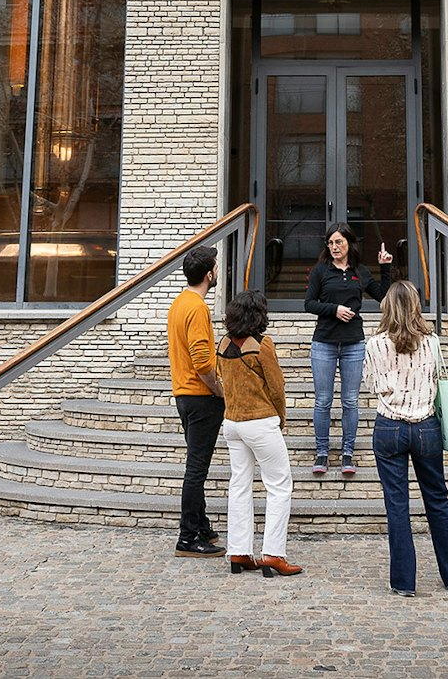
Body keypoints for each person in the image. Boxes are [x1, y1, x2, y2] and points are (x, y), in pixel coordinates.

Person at [363, 279, 448, 597]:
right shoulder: (432, 342)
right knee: (438, 500)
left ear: (387, 307)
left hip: (389, 427)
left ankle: (403, 582)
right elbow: (438, 382)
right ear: (414, 305)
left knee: (397, 505)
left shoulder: (374, 344)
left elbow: (372, 385)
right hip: (425, 426)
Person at [215, 290, 303, 577]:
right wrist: (280, 418)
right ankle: (273, 554)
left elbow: (222, 381)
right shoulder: (262, 345)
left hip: (232, 422)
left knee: (239, 484)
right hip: (260, 420)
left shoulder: (223, 343)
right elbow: (277, 388)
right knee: (279, 485)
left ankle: (239, 551)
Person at [304, 223, 393, 476]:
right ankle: (322, 453)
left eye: (339, 243)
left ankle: (347, 453)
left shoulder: (359, 271)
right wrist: (334, 309)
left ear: (349, 244)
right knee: (323, 401)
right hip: (324, 343)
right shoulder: (321, 271)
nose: (334, 247)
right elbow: (308, 304)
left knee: (350, 401)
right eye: (331, 243)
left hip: (354, 342)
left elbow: (384, 297)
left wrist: (385, 267)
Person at [167, 245, 226, 557]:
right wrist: (219, 390)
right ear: (208, 274)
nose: (217, 271)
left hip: (184, 394)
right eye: (215, 267)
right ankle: (188, 537)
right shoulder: (198, 308)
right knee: (197, 469)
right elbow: (203, 361)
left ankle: (201, 526)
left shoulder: (180, 302)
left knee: (196, 464)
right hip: (201, 397)